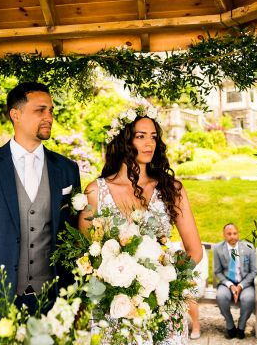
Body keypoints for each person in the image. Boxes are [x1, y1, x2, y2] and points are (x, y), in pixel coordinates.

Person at [0, 82, 81, 314]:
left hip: (52, 302)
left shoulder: (67, 169)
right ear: (15, 115)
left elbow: (73, 236)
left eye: (51, 110)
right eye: (40, 110)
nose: (49, 117)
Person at [79, 103, 204, 345]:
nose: (149, 143)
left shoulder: (172, 190)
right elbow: (84, 258)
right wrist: (117, 289)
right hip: (113, 310)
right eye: (140, 136)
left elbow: (195, 251)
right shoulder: (96, 192)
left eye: (154, 137)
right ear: (124, 141)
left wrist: (164, 280)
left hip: (162, 309)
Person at [213, 223, 256, 340]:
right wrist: (231, 285)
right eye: (229, 234)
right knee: (221, 296)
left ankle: (241, 327)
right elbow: (218, 271)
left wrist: (240, 286)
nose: (232, 236)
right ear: (224, 235)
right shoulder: (218, 249)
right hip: (227, 283)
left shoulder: (248, 248)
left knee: (248, 298)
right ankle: (230, 325)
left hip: (245, 283)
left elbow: (253, 272)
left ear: (238, 234)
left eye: (235, 233)